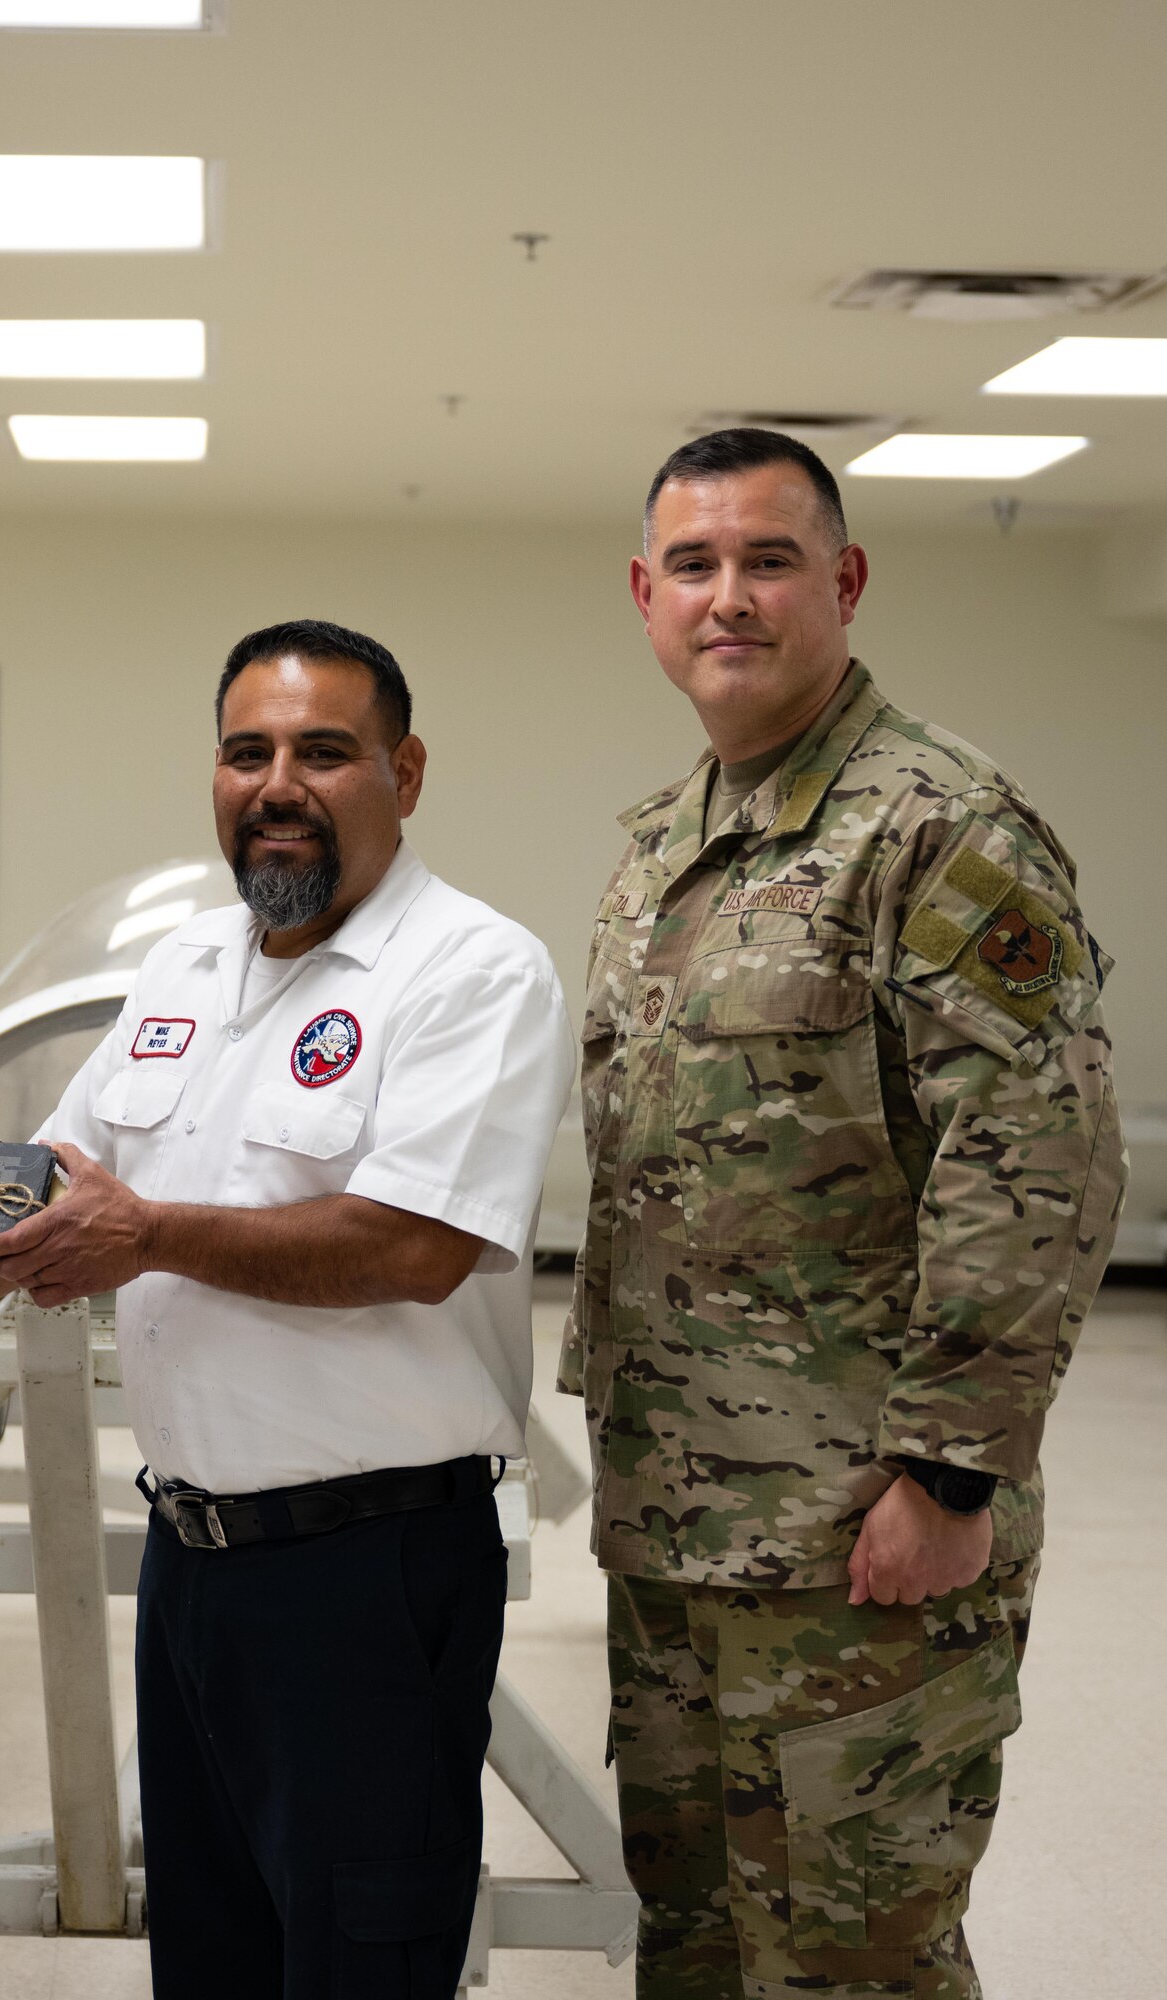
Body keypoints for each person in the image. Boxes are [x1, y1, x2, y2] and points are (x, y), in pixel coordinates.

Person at [0, 619, 574, 1999]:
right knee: (210, 1958)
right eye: (248, 753)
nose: (278, 785)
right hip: (192, 1565)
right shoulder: (188, 968)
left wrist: (149, 1234)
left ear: (404, 773)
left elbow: (416, 1245)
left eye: (324, 752)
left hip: (367, 1575)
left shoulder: (474, 971)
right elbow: (35, 1191)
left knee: (358, 1961)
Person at [562, 428, 1126, 1997]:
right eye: (693, 565)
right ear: (646, 595)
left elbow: (1038, 1160)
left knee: (855, 1963)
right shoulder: (663, 853)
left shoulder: (940, 829)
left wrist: (950, 1471)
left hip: (861, 1539)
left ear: (846, 581)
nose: (728, 597)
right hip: (680, 1524)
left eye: (769, 560)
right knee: (695, 1944)